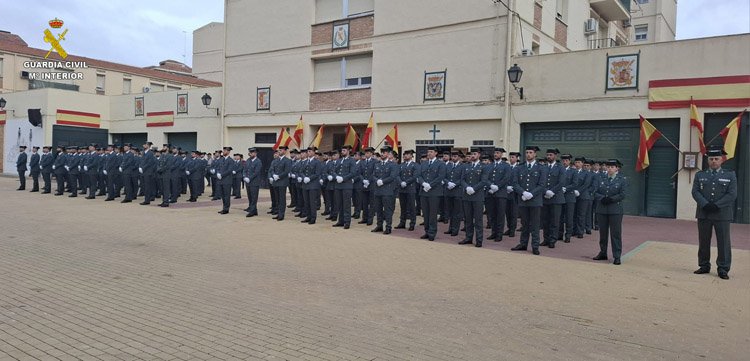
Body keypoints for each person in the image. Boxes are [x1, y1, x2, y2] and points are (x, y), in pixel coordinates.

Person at [691, 146, 737, 280]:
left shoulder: (730, 175)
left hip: (722, 214)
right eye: (711, 159)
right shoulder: (700, 175)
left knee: (723, 242)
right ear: (708, 160)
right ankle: (704, 265)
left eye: (716, 159)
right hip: (704, 213)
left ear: (722, 160)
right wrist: (705, 204)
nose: (713, 161)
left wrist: (717, 205)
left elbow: (732, 194)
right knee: (704, 241)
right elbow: (695, 192)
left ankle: (723, 268)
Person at [511, 146, 548, 255]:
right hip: (523, 199)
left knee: (535, 224)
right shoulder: (519, 168)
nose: (528, 154)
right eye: (527, 152)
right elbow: (515, 183)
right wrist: (523, 192)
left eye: (530, 152)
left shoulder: (541, 168)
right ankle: (523, 244)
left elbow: (542, 185)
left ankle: (535, 246)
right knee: (524, 223)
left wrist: (531, 194)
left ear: (535, 154)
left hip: (535, 200)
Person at [593, 159, 628, 265]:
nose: (610, 169)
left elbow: (623, 194)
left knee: (615, 234)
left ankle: (617, 256)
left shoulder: (622, 179)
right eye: (608, 167)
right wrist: (602, 198)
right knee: (602, 233)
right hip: (602, 209)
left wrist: (612, 199)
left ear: (617, 168)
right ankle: (603, 252)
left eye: (612, 167)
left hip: (615, 210)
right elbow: (594, 191)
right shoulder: (600, 178)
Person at [458, 148, 489, 247]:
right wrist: (467, 187)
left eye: (475, 154)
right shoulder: (466, 166)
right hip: (467, 196)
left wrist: (474, 189)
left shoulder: (483, 166)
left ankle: (479, 239)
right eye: (472, 154)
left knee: (478, 219)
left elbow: (484, 181)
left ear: (479, 155)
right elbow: (462, 179)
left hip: (477, 197)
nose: (472, 156)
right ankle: (468, 237)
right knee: (468, 218)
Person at [417, 147, 445, 241]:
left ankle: (432, 233)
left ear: (436, 153)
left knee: (433, 214)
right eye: (428, 151)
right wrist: (423, 183)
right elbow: (419, 175)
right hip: (424, 191)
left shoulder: (440, 164)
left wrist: (430, 185)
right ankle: (427, 231)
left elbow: (441, 176)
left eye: (431, 152)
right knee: (425, 213)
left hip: (434, 192)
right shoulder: (423, 163)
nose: (429, 153)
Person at [540, 148, 565, 248]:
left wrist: (552, 191)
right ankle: (546, 239)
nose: (549, 157)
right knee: (545, 220)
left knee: (554, 220)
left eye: (551, 155)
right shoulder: (543, 167)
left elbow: (561, 182)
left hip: (556, 198)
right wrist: (545, 191)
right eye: (548, 155)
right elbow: (540, 181)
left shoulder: (560, 167)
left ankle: (552, 240)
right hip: (545, 197)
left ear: (555, 156)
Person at [371, 146, 398, 234]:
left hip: (387, 190)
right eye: (382, 152)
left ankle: (388, 226)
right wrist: (377, 180)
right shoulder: (377, 164)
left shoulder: (392, 164)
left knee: (387, 210)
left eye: (385, 152)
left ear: (389, 154)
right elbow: (373, 175)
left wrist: (382, 181)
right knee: (378, 209)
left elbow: (392, 176)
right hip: (378, 190)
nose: (382, 154)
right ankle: (379, 225)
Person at [487, 147, 512, 242]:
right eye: (495, 153)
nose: (495, 154)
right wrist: (490, 185)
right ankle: (493, 232)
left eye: (497, 153)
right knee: (492, 214)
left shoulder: (506, 166)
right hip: (490, 193)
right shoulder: (490, 165)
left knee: (500, 215)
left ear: (501, 154)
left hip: (501, 194)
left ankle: (499, 234)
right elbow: (485, 177)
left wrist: (497, 186)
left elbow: (506, 178)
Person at [333, 145, 357, 228]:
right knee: (339, 204)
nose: (342, 152)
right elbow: (333, 170)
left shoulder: (352, 161)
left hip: (347, 186)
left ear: (348, 151)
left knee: (346, 205)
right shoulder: (339, 160)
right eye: (342, 151)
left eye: (344, 151)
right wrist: (336, 176)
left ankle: (347, 222)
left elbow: (353, 173)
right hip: (338, 185)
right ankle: (340, 221)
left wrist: (343, 178)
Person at [397, 149, 420, 232]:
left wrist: (406, 182)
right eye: (404, 154)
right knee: (403, 207)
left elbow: (415, 176)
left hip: (410, 188)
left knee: (411, 207)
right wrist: (400, 182)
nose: (405, 156)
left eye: (407, 154)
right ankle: (402, 222)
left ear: (411, 156)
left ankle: (412, 223)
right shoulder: (401, 165)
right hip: (402, 189)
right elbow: (397, 175)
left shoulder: (415, 165)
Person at [443, 150, 464, 237]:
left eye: (455, 156)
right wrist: (448, 183)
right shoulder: (448, 166)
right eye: (453, 156)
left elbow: (463, 178)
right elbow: (443, 176)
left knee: (456, 212)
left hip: (457, 192)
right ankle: (450, 228)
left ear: (458, 157)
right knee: (450, 211)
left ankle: (455, 229)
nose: (454, 158)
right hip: (449, 191)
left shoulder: (462, 166)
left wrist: (455, 184)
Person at [559, 154, 578, 243]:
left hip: (569, 197)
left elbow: (575, 184)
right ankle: (559, 234)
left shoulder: (573, 171)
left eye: (566, 160)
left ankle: (568, 235)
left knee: (569, 217)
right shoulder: (559, 169)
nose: (564, 162)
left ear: (570, 161)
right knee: (559, 217)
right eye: (563, 160)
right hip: (560, 196)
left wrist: (566, 188)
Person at [300, 146, 322, 224]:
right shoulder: (305, 161)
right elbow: (301, 171)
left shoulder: (317, 162)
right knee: (307, 202)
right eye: (308, 152)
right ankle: (308, 216)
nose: (308, 153)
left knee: (312, 202)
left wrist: (309, 178)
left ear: (313, 152)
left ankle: (313, 218)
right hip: (305, 184)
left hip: (313, 185)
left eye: (310, 151)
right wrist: (304, 177)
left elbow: (317, 173)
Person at [270, 146, 292, 220]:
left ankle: (281, 214)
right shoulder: (276, 160)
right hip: (276, 182)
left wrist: (278, 176)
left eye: (281, 150)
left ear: (285, 151)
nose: (279, 151)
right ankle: (278, 212)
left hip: (282, 182)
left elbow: (286, 171)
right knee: (277, 199)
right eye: (279, 150)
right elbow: (272, 169)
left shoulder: (287, 160)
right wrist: (273, 175)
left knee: (282, 199)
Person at [504, 151, 521, 237]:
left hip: (515, 193)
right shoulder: (507, 167)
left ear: (517, 158)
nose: (511, 159)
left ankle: (512, 230)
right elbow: (504, 179)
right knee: (507, 212)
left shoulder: (519, 168)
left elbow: (520, 181)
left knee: (513, 213)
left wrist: (513, 188)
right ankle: (509, 228)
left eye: (513, 157)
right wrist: (506, 186)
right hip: (506, 192)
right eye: (510, 157)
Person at [243, 148, 263, 217]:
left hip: (254, 182)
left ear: (255, 153)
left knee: (254, 197)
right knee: (250, 197)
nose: (250, 154)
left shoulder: (258, 161)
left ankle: (252, 211)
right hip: (248, 182)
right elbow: (244, 169)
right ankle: (254, 210)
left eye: (252, 152)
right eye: (250, 152)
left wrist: (249, 178)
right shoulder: (248, 160)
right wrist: (244, 176)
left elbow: (256, 172)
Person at [359, 147, 376, 226]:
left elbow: (374, 173)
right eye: (366, 153)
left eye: (368, 153)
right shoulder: (362, 162)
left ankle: (370, 219)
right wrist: (363, 180)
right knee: (364, 203)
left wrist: (368, 181)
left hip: (371, 184)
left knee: (371, 203)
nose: (366, 154)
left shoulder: (375, 162)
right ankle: (364, 218)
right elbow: (359, 173)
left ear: (371, 154)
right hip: (363, 184)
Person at [217, 146, 235, 214]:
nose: (223, 152)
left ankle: (226, 209)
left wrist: (221, 175)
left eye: (225, 151)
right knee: (222, 195)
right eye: (223, 150)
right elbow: (218, 167)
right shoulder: (221, 159)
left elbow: (229, 170)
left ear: (228, 152)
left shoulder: (230, 160)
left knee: (227, 195)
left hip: (227, 180)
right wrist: (218, 173)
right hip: (221, 180)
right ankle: (224, 207)